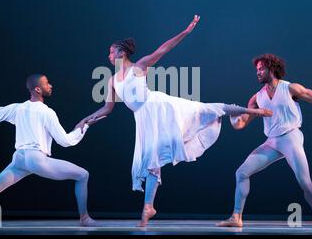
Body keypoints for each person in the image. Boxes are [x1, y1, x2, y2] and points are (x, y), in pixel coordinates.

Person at [75, 16, 272, 226]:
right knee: (152, 160)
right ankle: (148, 208)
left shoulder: (139, 67)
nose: (109, 55)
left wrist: (185, 32)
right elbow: (106, 108)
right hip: (144, 119)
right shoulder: (112, 80)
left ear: (122, 53)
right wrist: (86, 121)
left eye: (112, 51)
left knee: (206, 110)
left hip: (160, 108)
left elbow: (163, 49)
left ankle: (254, 112)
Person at [216, 54, 312, 228]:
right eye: (257, 70)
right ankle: (236, 217)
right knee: (241, 173)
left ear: (271, 69)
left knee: (305, 182)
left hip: (291, 137)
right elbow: (240, 124)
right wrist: (233, 115)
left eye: (261, 69)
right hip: (272, 142)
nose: (258, 73)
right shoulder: (256, 98)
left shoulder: (290, 88)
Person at [0, 74, 98, 227]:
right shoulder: (47, 112)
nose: (50, 86)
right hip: (36, 159)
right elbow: (65, 141)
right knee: (83, 175)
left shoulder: (18, 108)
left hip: (19, 159)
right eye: (47, 83)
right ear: (37, 89)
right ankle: (84, 218)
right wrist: (84, 127)